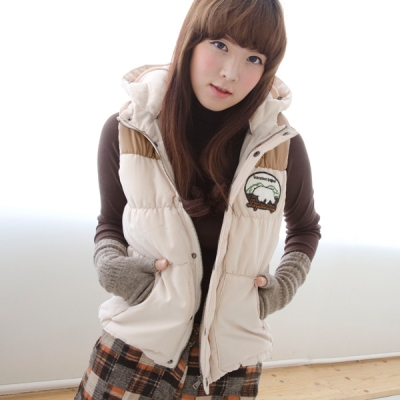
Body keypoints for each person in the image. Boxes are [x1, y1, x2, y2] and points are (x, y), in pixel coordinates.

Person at [75, 0, 321, 398]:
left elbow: (306, 228)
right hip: (137, 345)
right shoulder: (128, 129)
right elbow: (110, 221)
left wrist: (282, 288)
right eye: (220, 45)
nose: (231, 72)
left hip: (231, 359)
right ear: (191, 40)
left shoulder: (281, 147)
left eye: (254, 58)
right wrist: (110, 266)